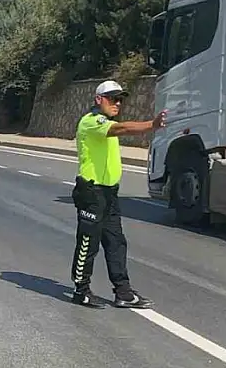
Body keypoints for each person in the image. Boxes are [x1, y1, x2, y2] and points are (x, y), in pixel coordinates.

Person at [70, 80, 167, 309]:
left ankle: (123, 292)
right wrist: (151, 124)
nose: (117, 103)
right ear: (98, 100)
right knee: (88, 243)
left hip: (109, 192)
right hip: (92, 191)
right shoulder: (92, 122)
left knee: (116, 242)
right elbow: (121, 129)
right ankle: (81, 290)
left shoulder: (107, 122)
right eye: (112, 98)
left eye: (120, 99)